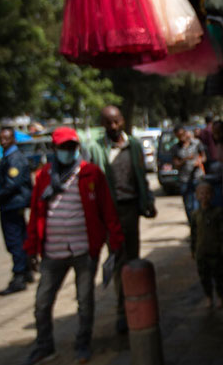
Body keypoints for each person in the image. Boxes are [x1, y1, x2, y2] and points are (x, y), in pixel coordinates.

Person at [23, 127, 124, 365]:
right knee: (42, 303)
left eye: (72, 147)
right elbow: (36, 212)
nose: (68, 151)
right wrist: (31, 248)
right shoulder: (44, 176)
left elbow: (108, 211)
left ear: (78, 148)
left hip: (83, 251)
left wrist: (115, 242)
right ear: (54, 149)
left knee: (85, 302)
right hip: (52, 252)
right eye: (63, 147)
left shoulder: (91, 173)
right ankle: (44, 346)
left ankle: (83, 344)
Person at [85, 105, 157, 334]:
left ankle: (136, 307)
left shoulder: (133, 145)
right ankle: (122, 311)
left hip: (131, 209)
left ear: (123, 120)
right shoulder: (95, 148)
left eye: (116, 121)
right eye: (108, 122)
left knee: (133, 259)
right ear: (102, 124)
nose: (113, 126)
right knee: (118, 260)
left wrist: (147, 201)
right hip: (109, 213)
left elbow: (141, 176)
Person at [0, 127, 34, 295]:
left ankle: (19, 276)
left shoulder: (14, 158)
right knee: (20, 239)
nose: (3, 142)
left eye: (6, 138)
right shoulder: (8, 157)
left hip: (13, 205)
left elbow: (12, 184)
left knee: (15, 241)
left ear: (13, 140)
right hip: (12, 204)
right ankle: (26, 271)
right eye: (1, 139)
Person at [191, 182, 223, 309]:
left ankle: (220, 296)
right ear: (197, 196)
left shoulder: (218, 212)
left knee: (218, 275)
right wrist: (193, 250)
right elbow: (193, 234)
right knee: (204, 276)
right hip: (201, 251)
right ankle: (209, 296)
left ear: (212, 195)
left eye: (207, 193)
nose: (204, 196)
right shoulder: (195, 214)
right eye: (201, 193)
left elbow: (222, 232)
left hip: (215, 250)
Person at [172, 125, 207, 228]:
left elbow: (204, 157)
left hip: (197, 177)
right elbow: (176, 164)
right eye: (179, 136)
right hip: (184, 180)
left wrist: (199, 161)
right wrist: (185, 159)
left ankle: (200, 226)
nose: (182, 137)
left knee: (199, 203)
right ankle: (193, 227)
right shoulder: (175, 148)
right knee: (189, 206)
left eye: (183, 134)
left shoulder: (196, 143)